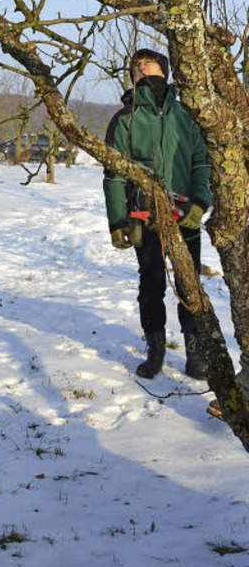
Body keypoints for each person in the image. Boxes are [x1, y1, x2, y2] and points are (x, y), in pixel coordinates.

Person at [104, 48, 212, 381]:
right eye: (134, 66)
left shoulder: (186, 117)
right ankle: (155, 351)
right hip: (144, 216)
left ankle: (196, 354)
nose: (139, 68)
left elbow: (201, 164)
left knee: (189, 285)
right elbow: (114, 174)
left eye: (146, 63)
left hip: (184, 216)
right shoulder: (125, 119)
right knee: (151, 285)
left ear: (163, 70)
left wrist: (200, 203)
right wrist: (118, 220)